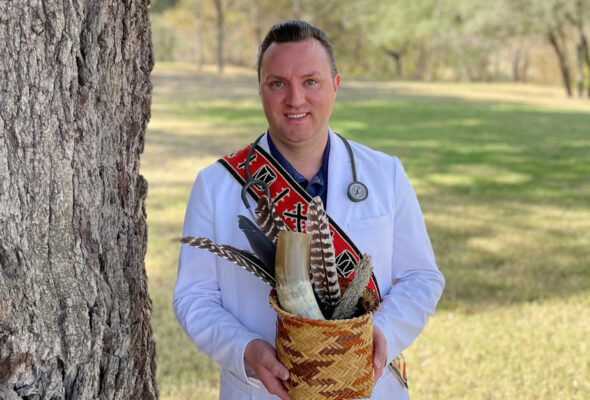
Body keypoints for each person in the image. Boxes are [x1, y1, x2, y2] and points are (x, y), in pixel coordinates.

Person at [173, 20, 445, 400]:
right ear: (261, 89)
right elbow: (194, 297)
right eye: (278, 83)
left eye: (310, 82)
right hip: (263, 391)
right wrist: (246, 351)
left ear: (335, 85)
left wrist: (382, 334)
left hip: (367, 386)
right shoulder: (216, 185)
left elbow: (421, 277)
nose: (295, 99)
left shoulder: (386, 175)